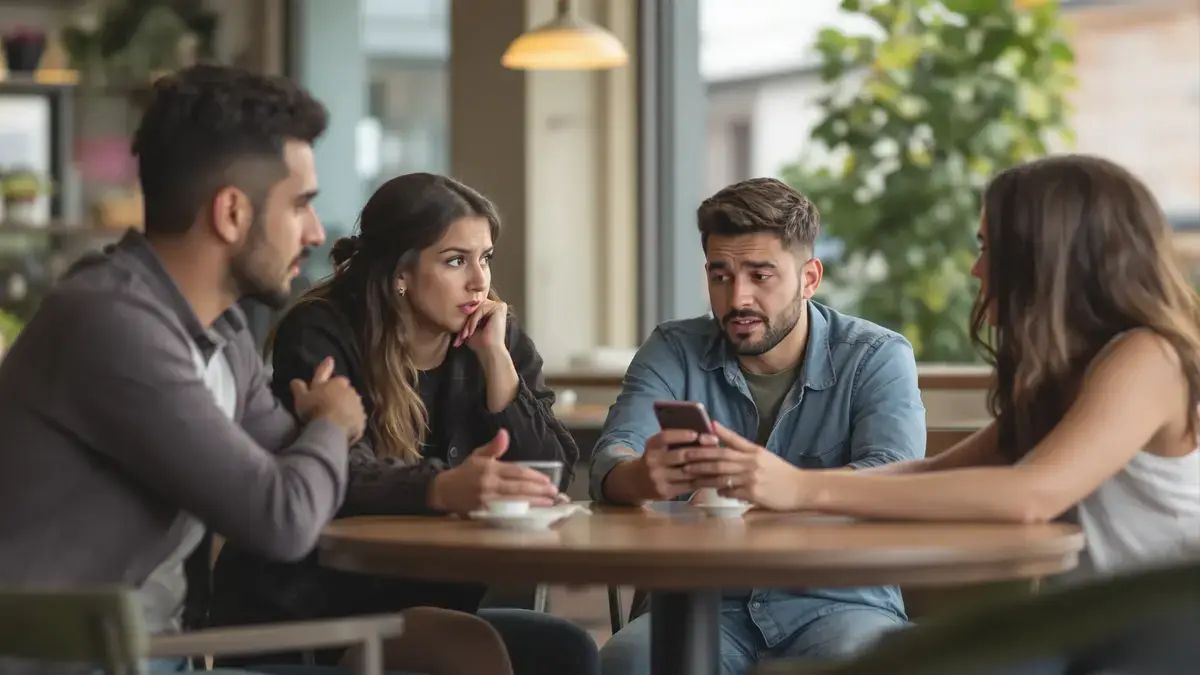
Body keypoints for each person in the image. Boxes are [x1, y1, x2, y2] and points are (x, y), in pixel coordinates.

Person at [0, 65, 517, 675]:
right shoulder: (115, 326)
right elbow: (283, 518)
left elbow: (307, 468)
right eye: (300, 205)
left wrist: (431, 486)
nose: (316, 232)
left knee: (482, 648)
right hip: (78, 662)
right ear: (231, 213)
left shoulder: (220, 333)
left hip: (162, 654)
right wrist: (330, 422)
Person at [687, 156, 1200, 674]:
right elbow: (935, 471)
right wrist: (783, 496)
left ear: (1044, 256)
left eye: (987, 248)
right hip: (1086, 628)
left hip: (1153, 642)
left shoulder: (1147, 357)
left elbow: (1031, 495)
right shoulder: (1070, 374)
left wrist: (801, 488)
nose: (977, 269)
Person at [209, 172, 598, 675]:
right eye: (456, 260)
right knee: (465, 650)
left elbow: (549, 478)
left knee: (564, 649)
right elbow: (336, 472)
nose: (479, 281)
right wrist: (445, 487)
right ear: (401, 273)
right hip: (313, 606)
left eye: (485, 258)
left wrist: (498, 366)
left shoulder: (492, 335)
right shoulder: (323, 332)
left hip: (429, 602)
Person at [590, 178, 925, 675]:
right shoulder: (674, 349)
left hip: (839, 600)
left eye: (760, 275)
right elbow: (613, 456)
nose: (736, 297)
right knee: (627, 662)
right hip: (700, 600)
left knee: (867, 664)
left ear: (809, 278)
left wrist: (771, 496)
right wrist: (641, 476)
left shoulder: (876, 357)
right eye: (720, 275)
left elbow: (893, 475)